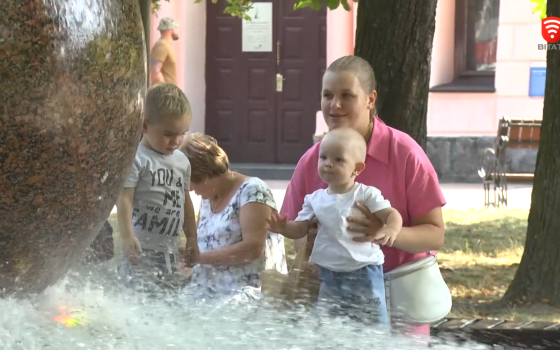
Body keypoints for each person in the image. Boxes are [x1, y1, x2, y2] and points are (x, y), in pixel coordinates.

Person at [280, 56, 446, 342]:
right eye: (328, 95)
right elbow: (296, 229)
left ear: (370, 99)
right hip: (334, 297)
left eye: (347, 95)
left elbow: (435, 235)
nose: (335, 105)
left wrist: (383, 233)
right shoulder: (312, 162)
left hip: (401, 299)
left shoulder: (404, 153)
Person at [267, 127, 403, 326]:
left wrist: (390, 229)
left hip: (363, 270)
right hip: (328, 273)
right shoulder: (314, 199)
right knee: (330, 325)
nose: (328, 164)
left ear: (357, 169)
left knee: (372, 324)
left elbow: (392, 214)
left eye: (338, 160)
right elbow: (300, 228)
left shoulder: (365, 194)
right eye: (323, 157)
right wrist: (283, 228)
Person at [178, 133, 287, 303]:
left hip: (243, 291)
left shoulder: (253, 191)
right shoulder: (208, 198)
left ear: (204, 177)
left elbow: (253, 249)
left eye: (190, 182)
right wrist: (187, 253)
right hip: (204, 288)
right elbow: (205, 242)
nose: (190, 189)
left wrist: (200, 258)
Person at [116, 83, 198, 290]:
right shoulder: (137, 158)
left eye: (182, 133)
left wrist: (192, 238)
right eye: (168, 134)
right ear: (145, 126)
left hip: (169, 250)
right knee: (135, 300)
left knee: (168, 301)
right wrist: (127, 236)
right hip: (141, 248)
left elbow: (185, 201)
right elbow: (124, 198)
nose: (176, 141)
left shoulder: (181, 161)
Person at [150, 17, 180, 85]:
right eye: (176, 28)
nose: (178, 31)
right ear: (170, 30)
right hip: (164, 93)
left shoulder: (167, 45)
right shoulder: (162, 45)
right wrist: (166, 91)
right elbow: (155, 72)